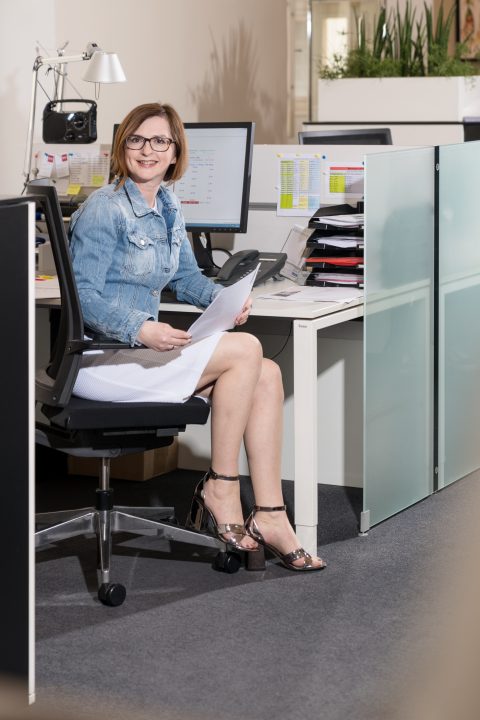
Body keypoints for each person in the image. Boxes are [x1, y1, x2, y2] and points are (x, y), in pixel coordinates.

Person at [69, 102, 325, 571]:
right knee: (247, 349)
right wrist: (140, 327)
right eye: (136, 140)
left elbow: (186, 278)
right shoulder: (105, 209)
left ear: (175, 153)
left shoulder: (167, 205)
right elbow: (82, 297)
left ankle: (270, 513)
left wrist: (225, 298)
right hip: (104, 361)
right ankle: (220, 488)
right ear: (121, 146)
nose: (147, 150)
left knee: (266, 373)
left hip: (138, 357)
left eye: (160, 141)